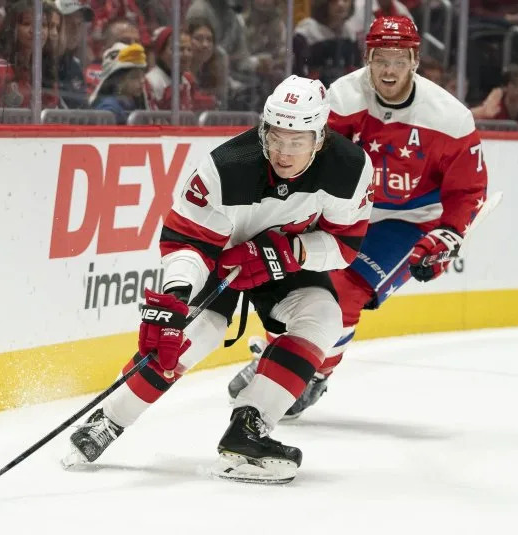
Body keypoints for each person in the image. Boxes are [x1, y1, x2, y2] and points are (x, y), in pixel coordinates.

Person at [67, 75, 375, 484]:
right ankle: (108, 419)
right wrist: (176, 297)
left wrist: (287, 253)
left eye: (297, 141)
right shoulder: (226, 166)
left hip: (285, 260)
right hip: (219, 257)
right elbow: (185, 241)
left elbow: (345, 244)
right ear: (264, 129)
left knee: (323, 317)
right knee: (196, 333)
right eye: (277, 136)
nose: (284, 152)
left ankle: (249, 427)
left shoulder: (350, 168)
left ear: (319, 138)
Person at [228, 16, 488, 419]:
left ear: (415, 61)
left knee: (346, 292)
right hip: (349, 209)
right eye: (380, 58)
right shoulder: (342, 98)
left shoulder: (449, 118)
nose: (388, 70)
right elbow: (309, 158)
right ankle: (278, 358)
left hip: (409, 218)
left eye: (399, 60)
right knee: (290, 278)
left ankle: (311, 375)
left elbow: (468, 190)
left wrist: (448, 235)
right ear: (367, 56)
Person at [90, 42, 151, 124]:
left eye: (142, 75)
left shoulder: (131, 103)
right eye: (134, 77)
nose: (142, 81)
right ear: (118, 80)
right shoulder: (109, 109)